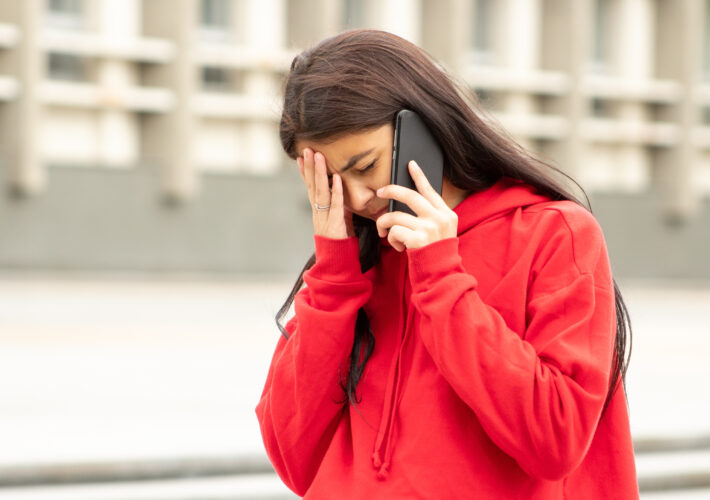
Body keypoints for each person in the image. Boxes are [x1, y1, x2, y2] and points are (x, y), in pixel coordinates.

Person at [255, 29, 637, 499]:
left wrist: (440, 277)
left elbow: (555, 440)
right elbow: (294, 460)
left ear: (421, 131)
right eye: (332, 180)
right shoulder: (355, 269)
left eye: (364, 166)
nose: (355, 199)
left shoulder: (553, 233)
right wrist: (334, 279)